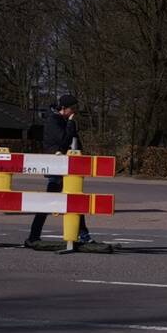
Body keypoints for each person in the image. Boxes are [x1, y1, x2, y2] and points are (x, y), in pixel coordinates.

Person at [24, 94, 111, 253]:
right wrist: (71, 123)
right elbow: (64, 141)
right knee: (51, 202)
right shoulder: (53, 121)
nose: (74, 111)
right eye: (72, 108)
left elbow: (74, 142)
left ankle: (81, 235)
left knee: (73, 200)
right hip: (58, 168)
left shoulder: (61, 120)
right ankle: (35, 235)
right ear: (63, 108)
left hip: (67, 168)